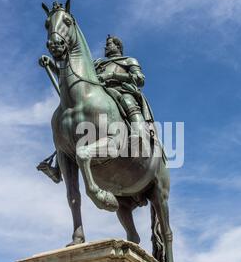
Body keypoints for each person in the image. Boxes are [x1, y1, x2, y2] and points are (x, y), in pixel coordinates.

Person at [38, 35, 156, 183]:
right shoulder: (97, 64)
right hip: (98, 95)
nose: (106, 47)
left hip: (120, 91)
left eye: (109, 44)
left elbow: (139, 79)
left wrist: (112, 75)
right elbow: (75, 77)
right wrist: (52, 66)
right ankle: (58, 165)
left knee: (128, 101)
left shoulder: (128, 61)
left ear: (118, 46)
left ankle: (139, 136)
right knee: (72, 121)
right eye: (106, 44)